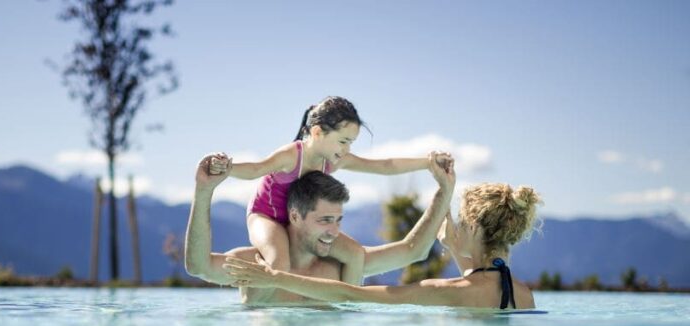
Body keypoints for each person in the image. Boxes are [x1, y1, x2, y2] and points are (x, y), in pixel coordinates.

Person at [207, 96, 449, 282]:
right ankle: (270, 316)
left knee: (355, 254)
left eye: (351, 143)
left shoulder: (334, 159)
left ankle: (345, 308)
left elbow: (384, 166)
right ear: (317, 132)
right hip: (266, 215)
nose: (346, 149)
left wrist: (426, 162)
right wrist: (228, 168)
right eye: (343, 141)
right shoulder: (291, 155)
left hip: (302, 220)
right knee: (279, 262)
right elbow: (255, 170)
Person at [184, 152, 456, 306]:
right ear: (295, 215)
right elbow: (198, 266)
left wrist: (445, 190)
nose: (334, 231)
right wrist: (204, 191)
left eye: (338, 220)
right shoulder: (256, 264)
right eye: (325, 220)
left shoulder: (339, 266)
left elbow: (413, 251)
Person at [223, 183, 543, 310]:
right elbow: (483, 285)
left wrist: (276, 278)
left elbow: (351, 293)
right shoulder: (523, 294)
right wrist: (457, 244)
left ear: (472, 227)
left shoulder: (444, 290)